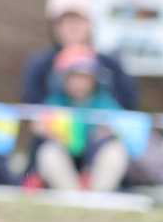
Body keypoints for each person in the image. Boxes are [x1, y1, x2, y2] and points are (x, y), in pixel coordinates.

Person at [20, 0, 137, 110]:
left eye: (78, 20)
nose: (72, 26)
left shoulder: (111, 66)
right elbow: (32, 107)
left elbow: (127, 107)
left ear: (90, 23)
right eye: (65, 21)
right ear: (54, 26)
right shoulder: (40, 66)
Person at [32, 44, 130, 192]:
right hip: (66, 157)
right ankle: (72, 196)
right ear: (63, 79)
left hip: (96, 160)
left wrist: (109, 132)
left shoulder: (105, 101)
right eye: (74, 77)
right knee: (48, 152)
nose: (79, 83)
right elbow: (37, 124)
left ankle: (99, 197)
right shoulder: (56, 101)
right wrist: (47, 130)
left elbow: (123, 126)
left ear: (94, 79)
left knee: (116, 151)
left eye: (84, 77)